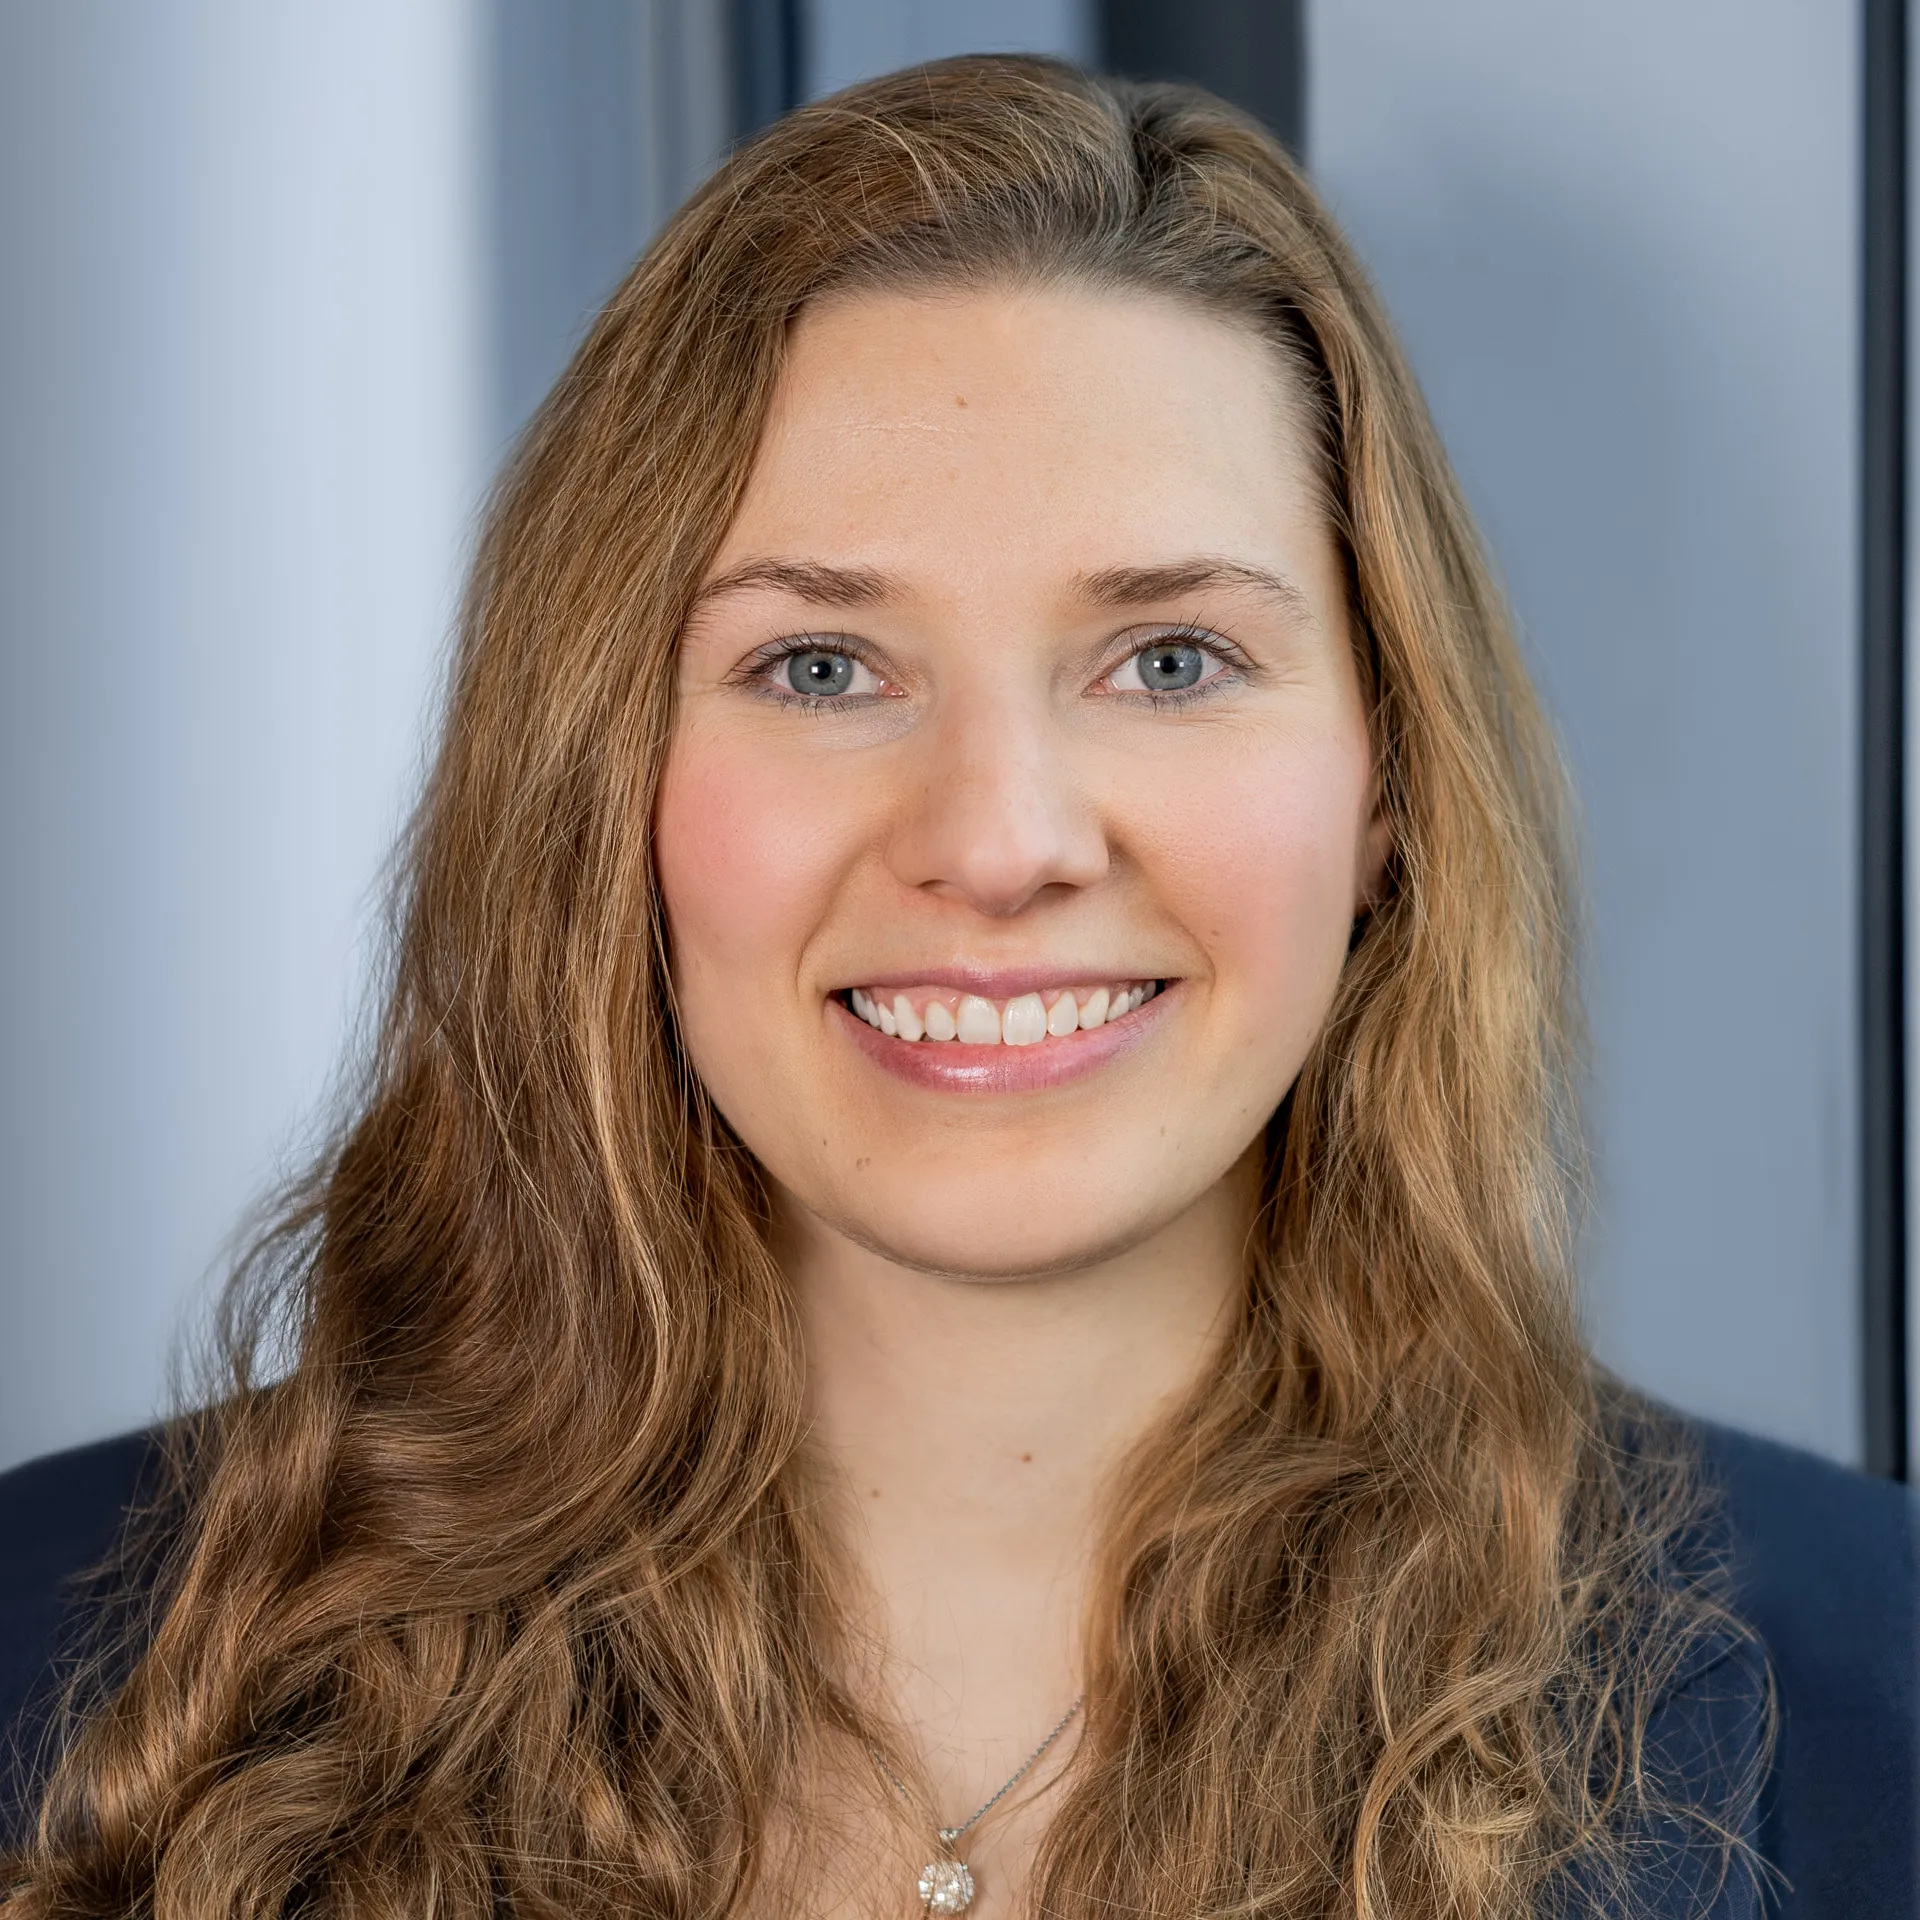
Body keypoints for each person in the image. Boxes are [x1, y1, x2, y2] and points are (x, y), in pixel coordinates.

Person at [0, 55, 1912, 1920]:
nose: (1001, 844)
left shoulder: (1877, 1702)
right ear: (599, 782)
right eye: (824, 669)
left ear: (1390, 778)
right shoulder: (40, 1645)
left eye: (1169, 660)